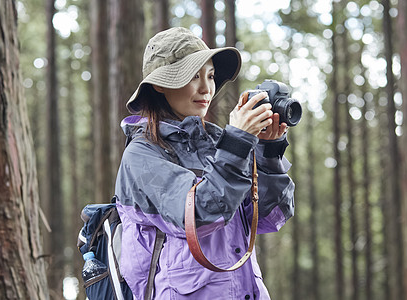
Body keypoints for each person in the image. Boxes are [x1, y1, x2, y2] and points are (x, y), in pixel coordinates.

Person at [115, 27, 295, 299]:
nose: (206, 88)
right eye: (193, 76)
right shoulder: (141, 154)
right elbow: (198, 217)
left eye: (210, 76)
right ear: (160, 85)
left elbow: (271, 217)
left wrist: (268, 150)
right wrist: (236, 143)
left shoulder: (218, 142)